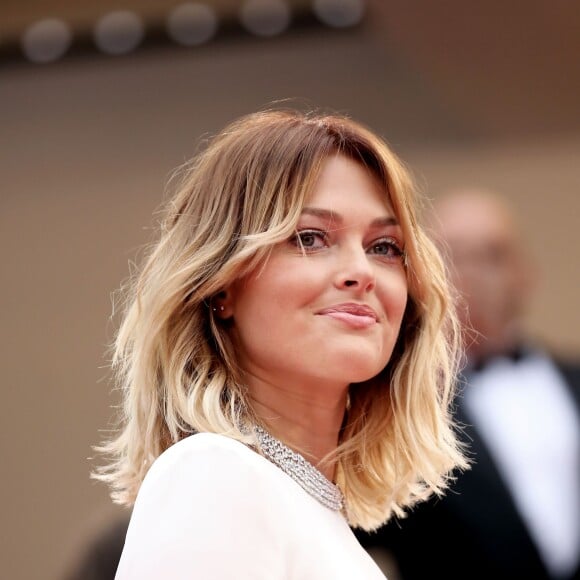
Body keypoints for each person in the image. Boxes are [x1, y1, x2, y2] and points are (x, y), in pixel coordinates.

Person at [95, 108, 467, 579]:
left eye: (384, 247)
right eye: (310, 238)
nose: (361, 272)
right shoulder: (212, 476)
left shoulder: (309, 508)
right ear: (221, 285)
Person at [355, 188, 580, 580]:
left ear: (525, 272)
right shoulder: (393, 403)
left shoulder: (573, 381)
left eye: (492, 254)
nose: (471, 272)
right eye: (451, 255)